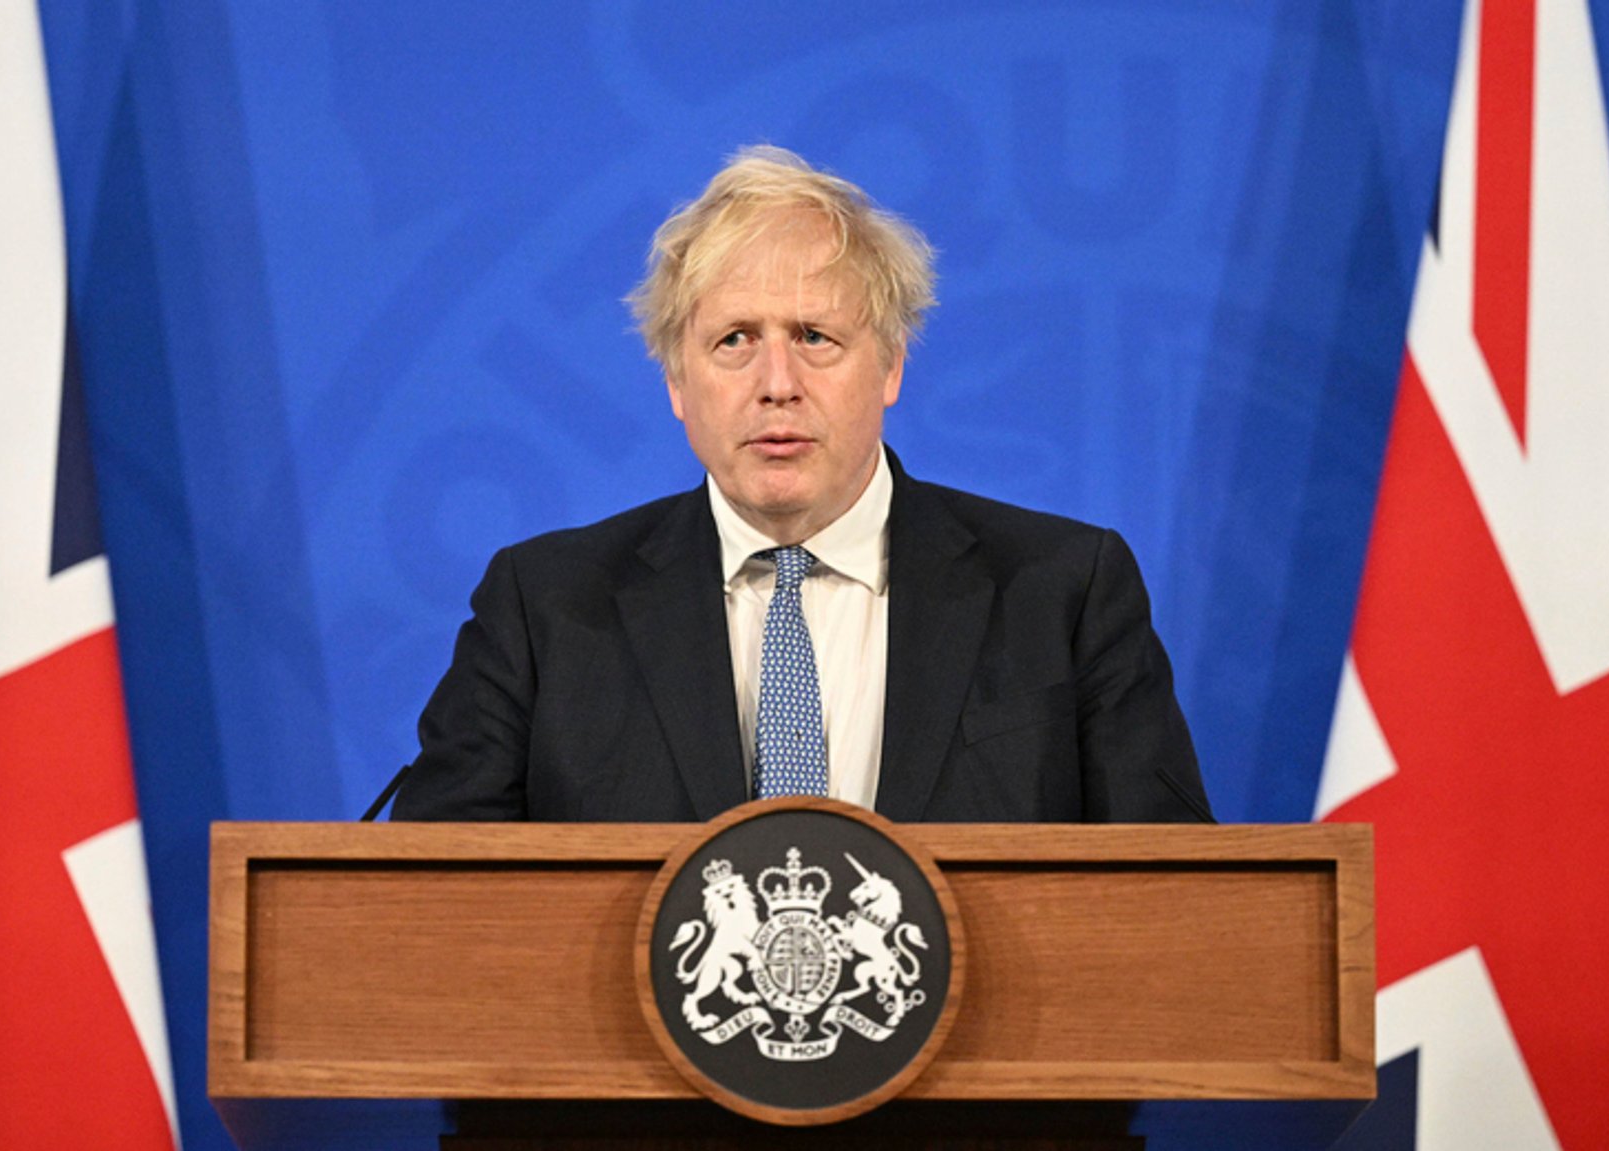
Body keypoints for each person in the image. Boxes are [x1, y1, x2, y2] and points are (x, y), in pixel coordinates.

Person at [391, 145, 1210, 824]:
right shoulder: (545, 609)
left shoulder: (1063, 593)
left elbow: (1175, 900)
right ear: (678, 381)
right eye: (734, 340)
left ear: (890, 363)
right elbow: (423, 901)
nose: (775, 382)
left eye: (815, 336)